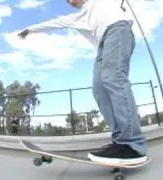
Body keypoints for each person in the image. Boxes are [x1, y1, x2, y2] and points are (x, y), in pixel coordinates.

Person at [18, 0, 148, 165]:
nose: (71, 2)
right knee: (99, 89)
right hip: (103, 46)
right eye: (67, 1)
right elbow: (54, 23)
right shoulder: (77, 17)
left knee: (113, 78)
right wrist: (30, 29)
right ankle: (120, 141)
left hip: (118, 29)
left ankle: (133, 144)